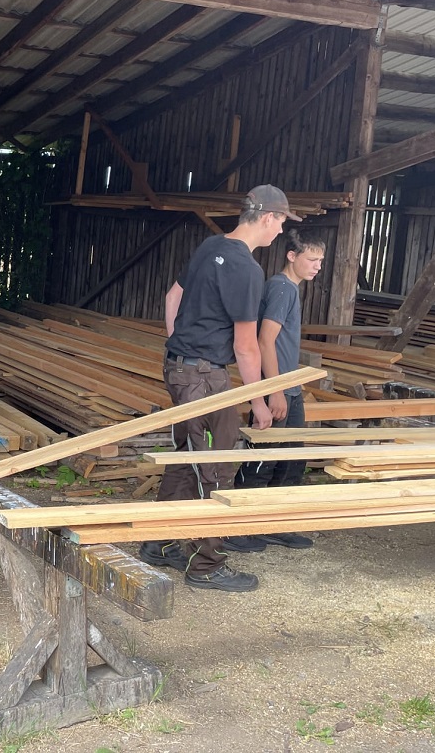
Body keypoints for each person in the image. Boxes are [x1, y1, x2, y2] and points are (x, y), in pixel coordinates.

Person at [138, 185, 300, 592]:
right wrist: (259, 402)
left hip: (183, 369)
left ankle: (159, 543)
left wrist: (180, 347)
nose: (280, 232)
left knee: (186, 458)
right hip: (204, 377)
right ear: (267, 218)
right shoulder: (247, 269)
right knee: (215, 466)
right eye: (281, 223)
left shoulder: (210, 245)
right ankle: (205, 563)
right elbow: (246, 347)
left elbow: (172, 296)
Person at [231, 228, 326, 552]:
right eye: (311, 259)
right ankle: (238, 527)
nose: (317, 266)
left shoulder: (290, 289)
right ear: (292, 256)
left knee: (291, 459)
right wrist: (274, 390)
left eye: (320, 261)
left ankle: (275, 525)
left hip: (291, 386)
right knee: (264, 458)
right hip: (279, 386)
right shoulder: (281, 288)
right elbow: (264, 340)